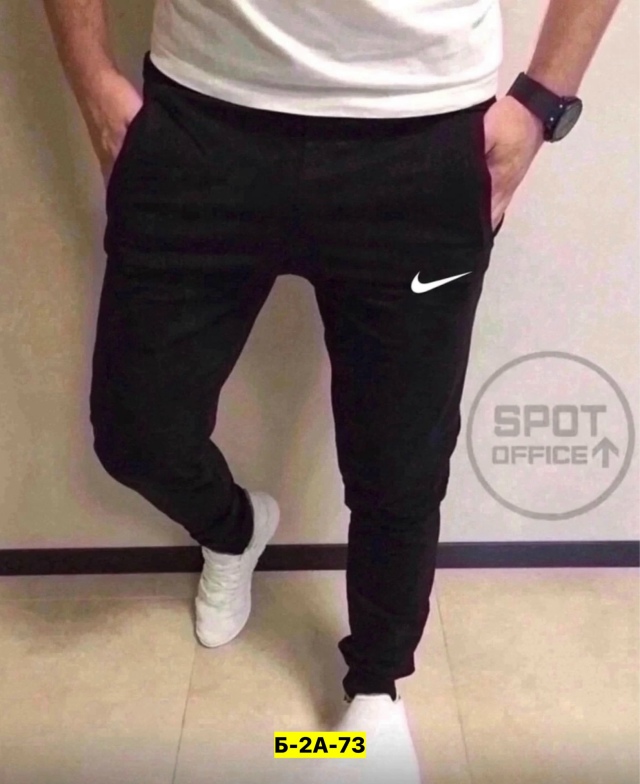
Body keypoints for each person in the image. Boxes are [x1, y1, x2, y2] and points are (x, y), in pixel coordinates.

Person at [43, 0, 620, 781]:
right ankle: (234, 528)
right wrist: (91, 79)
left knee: (400, 461)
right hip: (201, 118)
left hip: (421, 136)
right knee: (135, 431)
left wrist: (542, 103)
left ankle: (376, 692)